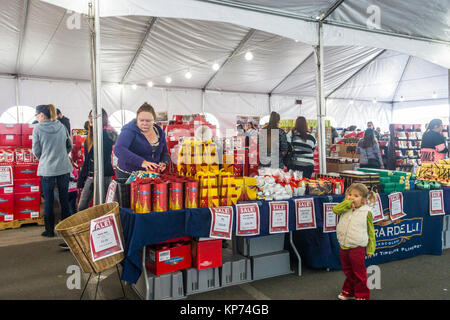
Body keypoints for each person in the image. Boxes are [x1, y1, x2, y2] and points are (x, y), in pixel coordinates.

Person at [32, 104, 73, 240]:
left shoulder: (37, 129)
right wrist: (62, 155)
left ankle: (49, 230)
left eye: (37, 115)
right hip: (63, 167)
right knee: (64, 199)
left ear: (42, 115)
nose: (36, 118)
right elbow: (70, 145)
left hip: (47, 169)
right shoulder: (61, 126)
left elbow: (36, 150)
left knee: (49, 199)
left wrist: (44, 159)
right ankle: (66, 229)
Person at [332, 183, 376, 300]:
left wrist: (371, 248)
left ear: (364, 199)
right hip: (344, 245)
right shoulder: (344, 208)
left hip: (357, 246)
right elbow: (335, 210)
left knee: (358, 272)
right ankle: (349, 291)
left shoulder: (367, 212)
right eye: (349, 194)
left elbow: (371, 232)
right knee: (348, 271)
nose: (351, 197)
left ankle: (362, 295)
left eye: (356, 196)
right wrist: (347, 203)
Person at [114, 102, 170, 181]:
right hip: (128, 175)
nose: (144, 123)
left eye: (148, 121)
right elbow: (119, 149)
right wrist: (142, 162)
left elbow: (165, 153)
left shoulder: (160, 132)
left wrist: (164, 162)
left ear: (154, 120)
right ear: (137, 119)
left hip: (151, 175)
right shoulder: (129, 131)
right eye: (141, 120)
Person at [77, 108, 118, 211]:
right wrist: (81, 179)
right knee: (82, 206)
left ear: (102, 118)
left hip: (104, 176)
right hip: (91, 176)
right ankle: (86, 226)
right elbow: (87, 160)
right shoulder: (89, 138)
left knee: (103, 207)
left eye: (94, 117)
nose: (91, 119)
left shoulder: (106, 134)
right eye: (90, 117)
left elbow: (111, 144)